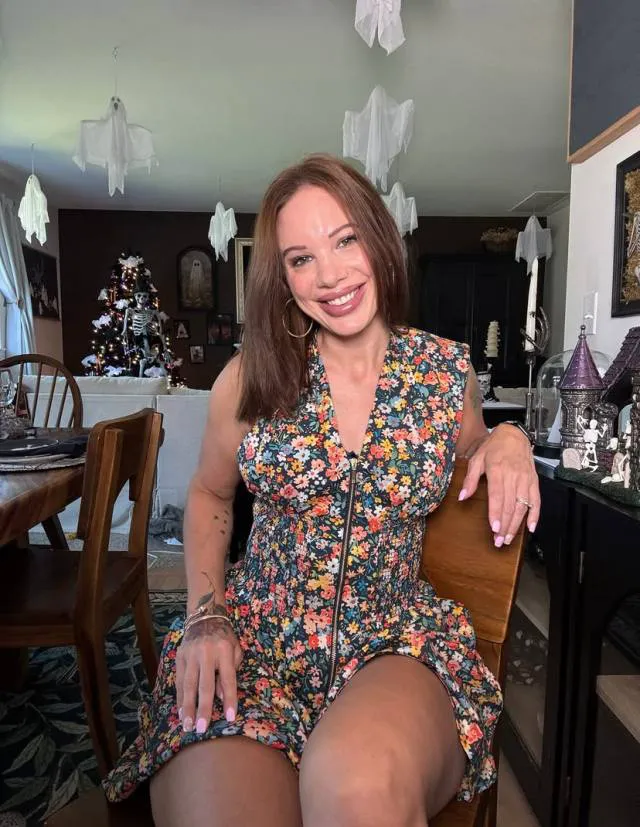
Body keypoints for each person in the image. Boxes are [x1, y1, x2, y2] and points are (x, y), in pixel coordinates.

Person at [104, 154, 540, 826]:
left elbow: (473, 451)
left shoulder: (445, 374)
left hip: (394, 643)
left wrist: (509, 438)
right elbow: (210, 494)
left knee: (355, 793)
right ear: (281, 277)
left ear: (379, 238)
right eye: (301, 258)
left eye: (345, 240)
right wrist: (205, 615)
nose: (330, 276)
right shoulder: (249, 378)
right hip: (256, 642)